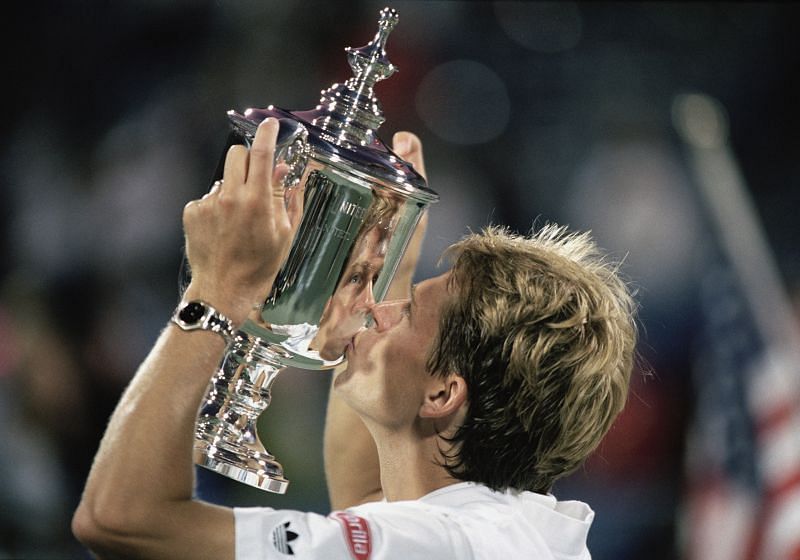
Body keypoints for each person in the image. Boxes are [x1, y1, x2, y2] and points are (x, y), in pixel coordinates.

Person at [72, 118, 637, 559]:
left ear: (443, 394)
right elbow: (368, 502)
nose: (377, 308)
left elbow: (121, 519)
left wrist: (216, 289)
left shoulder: (440, 544)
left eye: (408, 311)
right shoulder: (505, 526)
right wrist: (393, 264)